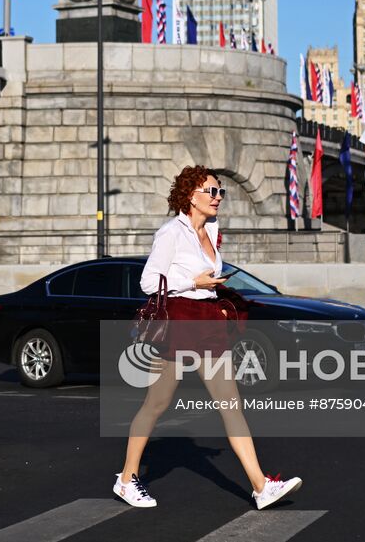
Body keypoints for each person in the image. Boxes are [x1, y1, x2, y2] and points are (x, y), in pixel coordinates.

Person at [114, 165, 302, 511]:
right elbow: (147, 283)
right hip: (180, 320)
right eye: (211, 192)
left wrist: (220, 292)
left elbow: (208, 275)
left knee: (231, 405)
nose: (217, 198)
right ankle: (127, 479)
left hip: (207, 320)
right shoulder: (171, 232)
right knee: (157, 404)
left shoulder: (212, 230)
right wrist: (193, 284)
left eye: (220, 192)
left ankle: (261, 486)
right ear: (190, 196)